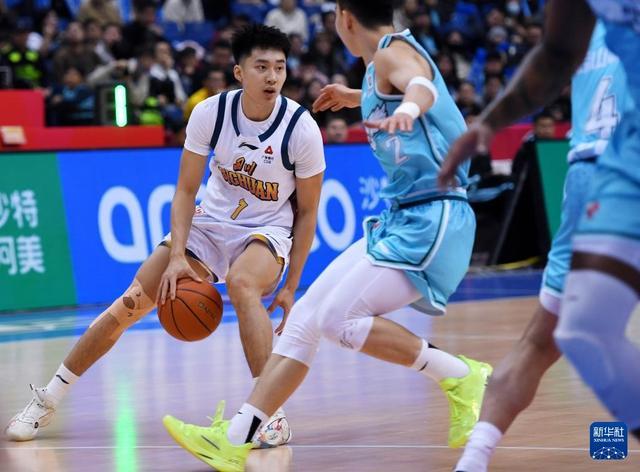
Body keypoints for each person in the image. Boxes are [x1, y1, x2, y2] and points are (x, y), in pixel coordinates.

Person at [162, 1, 492, 470]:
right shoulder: (378, 70)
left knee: (340, 320)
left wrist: (409, 108)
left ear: (345, 18)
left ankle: (459, 374)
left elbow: (421, 86)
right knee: (306, 317)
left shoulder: (392, 52)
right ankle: (236, 439)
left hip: (435, 217)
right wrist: (357, 97)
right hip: (405, 216)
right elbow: (401, 85)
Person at [5, 24, 326, 450]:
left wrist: (291, 285)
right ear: (238, 72)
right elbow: (186, 191)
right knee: (132, 302)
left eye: (280, 68)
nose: (272, 77)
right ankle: (48, 398)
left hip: (266, 229)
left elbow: (308, 213)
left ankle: (271, 415)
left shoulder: (301, 128)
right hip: (210, 223)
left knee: (242, 283)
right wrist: (177, 256)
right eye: (261, 67)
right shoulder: (210, 113)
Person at [438, 1, 640, 465]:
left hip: (596, 173)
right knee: (566, 336)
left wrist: (490, 121)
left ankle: (476, 458)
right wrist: (489, 122)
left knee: (553, 338)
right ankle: (473, 460)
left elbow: (555, 55)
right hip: (603, 173)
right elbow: (554, 55)